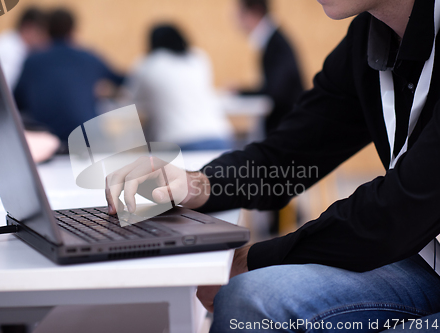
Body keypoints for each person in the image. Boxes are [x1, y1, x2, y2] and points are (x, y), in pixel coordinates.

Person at [105, 0, 440, 331]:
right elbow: (288, 156)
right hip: (421, 257)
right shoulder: (369, 37)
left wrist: (255, 259)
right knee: (251, 298)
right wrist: (195, 183)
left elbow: (402, 209)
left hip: (412, 245)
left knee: (250, 297)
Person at [14, 8, 125, 143]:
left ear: (47, 30)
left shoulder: (32, 61)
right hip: (87, 139)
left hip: (48, 141)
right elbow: (122, 80)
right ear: (73, 30)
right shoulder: (89, 58)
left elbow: (16, 102)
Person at [128, 24, 233, 151]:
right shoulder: (198, 58)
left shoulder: (147, 65)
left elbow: (130, 100)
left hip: (180, 142)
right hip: (219, 136)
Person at [236, 0, 304, 133]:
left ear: (253, 12)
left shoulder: (275, 43)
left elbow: (275, 90)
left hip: (289, 124)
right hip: (287, 120)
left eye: (240, 13)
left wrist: (242, 92)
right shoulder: (272, 40)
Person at [0, 7, 49, 89]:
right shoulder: (9, 50)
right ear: (28, 28)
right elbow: (6, 89)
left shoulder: (11, 40)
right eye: (41, 33)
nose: (44, 40)